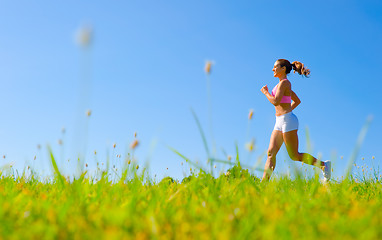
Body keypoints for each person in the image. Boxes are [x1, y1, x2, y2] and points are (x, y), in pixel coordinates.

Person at [260, 59, 331, 182]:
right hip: (279, 121)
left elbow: (276, 101)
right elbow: (296, 101)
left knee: (294, 156)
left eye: (275, 67)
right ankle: (263, 184)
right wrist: (287, 111)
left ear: (283, 69)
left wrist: (266, 93)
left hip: (288, 121)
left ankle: (324, 165)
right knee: (270, 153)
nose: (273, 69)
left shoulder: (285, 83)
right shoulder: (279, 85)